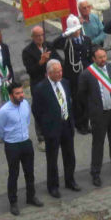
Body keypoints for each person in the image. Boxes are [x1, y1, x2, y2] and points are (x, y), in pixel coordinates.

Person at [77, 46, 111, 187]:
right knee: (98, 144)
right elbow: (81, 96)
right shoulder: (87, 74)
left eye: (104, 56)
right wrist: (91, 111)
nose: (103, 59)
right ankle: (95, 173)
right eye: (100, 57)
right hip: (99, 115)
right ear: (93, 59)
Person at [32, 59, 79, 197]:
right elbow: (36, 110)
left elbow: (69, 102)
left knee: (69, 155)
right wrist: (45, 126)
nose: (60, 74)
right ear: (49, 73)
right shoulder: (41, 88)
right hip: (52, 128)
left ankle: (70, 180)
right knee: (52, 159)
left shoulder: (65, 83)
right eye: (56, 72)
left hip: (66, 125)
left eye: (60, 71)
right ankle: (53, 186)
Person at [0, 81, 41, 216]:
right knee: (14, 174)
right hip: (12, 145)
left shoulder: (25, 104)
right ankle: (13, 202)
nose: (21, 95)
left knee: (29, 172)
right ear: (10, 95)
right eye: (17, 93)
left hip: (25, 142)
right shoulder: (4, 111)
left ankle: (31, 196)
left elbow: (27, 121)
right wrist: (9, 138)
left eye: (22, 92)